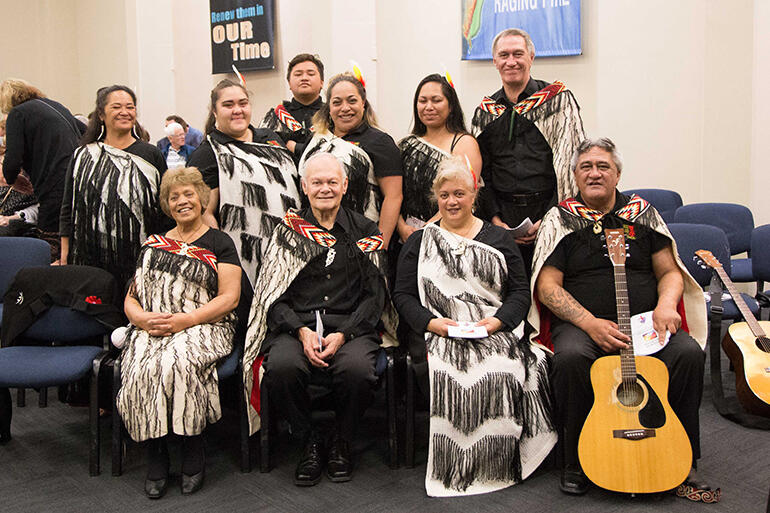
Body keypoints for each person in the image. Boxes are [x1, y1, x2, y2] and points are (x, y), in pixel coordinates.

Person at [530, 138, 708, 497]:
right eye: (586, 167)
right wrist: (589, 323)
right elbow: (548, 287)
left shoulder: (641, 213)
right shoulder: (560, 218)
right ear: (576, 175)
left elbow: (670, 272)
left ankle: (683, 454)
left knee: (687, 354)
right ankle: (576, 460)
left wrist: (666, 306)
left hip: (645, 323)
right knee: (571, 359)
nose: (594, 173)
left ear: (618, 174)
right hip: (583, 324)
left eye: (603, 166)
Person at [393, 156, 555, 497]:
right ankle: (459, 465)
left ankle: (497, 460)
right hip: (437, 332)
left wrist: (496, 322)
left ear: (473, 195)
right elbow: (403, 295)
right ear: (435, 198)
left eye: (460, 194)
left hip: (492, 330)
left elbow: (520, 293)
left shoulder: (499, 238)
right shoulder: (420, 242)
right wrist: (433, 323)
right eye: (445, 195)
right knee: (449, 371)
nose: (452, 201)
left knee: (507, 368)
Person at [242, 152, 389, 486]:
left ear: (345, 186)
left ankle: (342, 439)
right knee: (280, 368)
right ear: (304, 187)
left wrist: (345, 334)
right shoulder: (288, 231)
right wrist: (301, 330)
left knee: (357, 371)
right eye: (318, 182)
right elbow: (272, 296)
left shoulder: (365, 230)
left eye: (332, 182)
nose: (325, 188)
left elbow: (374, 296)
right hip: (297, 326)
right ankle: (307, 437)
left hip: (351, 325)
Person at [116, 167, 241, 499]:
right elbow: (131, 296)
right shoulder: (155, 243)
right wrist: (141, 319)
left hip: (204, 324)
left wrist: (186, 320)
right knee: (141, 366)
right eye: (175, 197)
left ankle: (191, 447)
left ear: (201, 199)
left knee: (177, 362)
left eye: (189, 194)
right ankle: (156, 452)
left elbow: (230, 297)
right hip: (153, 324)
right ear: (167, 205)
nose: (183, 201)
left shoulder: (220, 241)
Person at [471, 28, 585, 271]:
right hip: (501, 218)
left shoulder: (557, 101)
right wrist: (495, 220)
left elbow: (570, 165)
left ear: (531, 57)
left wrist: (550, 217)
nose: (511, 61)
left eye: (518, 54)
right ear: (495, 61)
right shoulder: (485, 112)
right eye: (504, 55)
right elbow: (482, 174)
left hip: (550, 211)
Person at [187, 79, 300, 287]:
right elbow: (204, 213)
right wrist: (226, 258)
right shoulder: (208, 153)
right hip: (243, 260)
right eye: (228, 105)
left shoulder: (269, 137)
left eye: (243, 103)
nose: (237, 110)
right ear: (214, 111)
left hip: (288, 250)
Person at [59, 85, 167, 288]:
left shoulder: (151, 155)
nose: (125, 112)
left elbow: (164, 211)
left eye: (130, 107)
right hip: (89, 254)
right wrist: (65, 252)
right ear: (101, 114)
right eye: (117, 107)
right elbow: (68, 207)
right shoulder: (83, 155)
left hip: (138, 255)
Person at [299, 72, 402, 249]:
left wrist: (379, 245)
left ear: (363, 103)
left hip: (359, 242)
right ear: (329, 107)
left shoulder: (380, 142)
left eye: (352, 101)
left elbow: (393, 197)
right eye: (337, 102)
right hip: (313, 239)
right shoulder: (316, 138)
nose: (344, 108)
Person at [0, 79, 84, 259]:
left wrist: (12, 178)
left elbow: (12, 158)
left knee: (48, 246)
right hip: (79, 180)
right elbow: (88, 132)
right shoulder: (56, 106)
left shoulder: (18, 114)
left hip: (53, 187)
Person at [397, 73, 481, 244]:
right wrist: (401, 227)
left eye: (436, 100)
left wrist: (428, 229)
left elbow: (465, 196)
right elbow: (391, 194)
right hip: (405, 238)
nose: (428, 107)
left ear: (451, 106)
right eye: (423, 101)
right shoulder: (405, 145)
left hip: (450, 238)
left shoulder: (464, 143)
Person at [260, 53, 325, 160]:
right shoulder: (274, 117)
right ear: (289, 83)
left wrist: (296, 147)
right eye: (298, 74)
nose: (304, 78)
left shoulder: (332, 115)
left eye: (311, 74)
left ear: (322, 82)